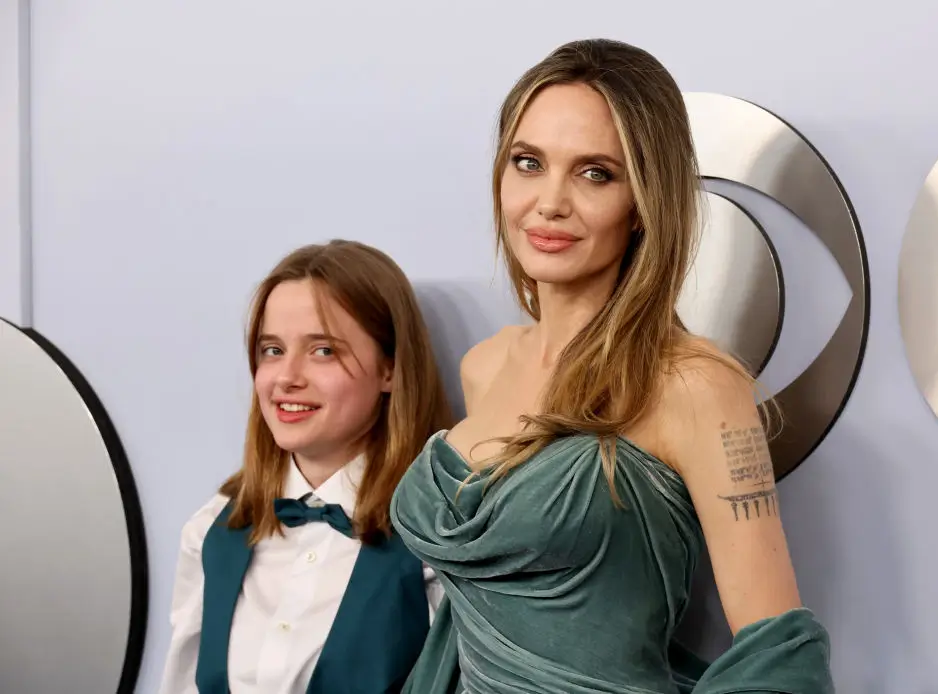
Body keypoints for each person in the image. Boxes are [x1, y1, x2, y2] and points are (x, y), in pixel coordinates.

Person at [391, 39, 834, 693]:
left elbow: (780, 656)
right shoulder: (484, 366)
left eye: (595, 172)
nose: (549, 202)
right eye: (528, 162)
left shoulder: (696, 385)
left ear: (643, 202)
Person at [159, 240, 452, 694]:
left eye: (323, 351)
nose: (286, 376)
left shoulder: (438, 542)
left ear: (390, 369)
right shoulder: (211, 530)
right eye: (272, 350)